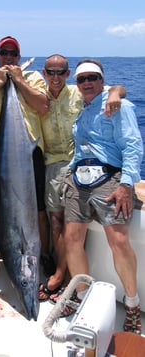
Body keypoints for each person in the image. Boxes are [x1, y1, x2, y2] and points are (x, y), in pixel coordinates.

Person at [61, 58, 143, 334]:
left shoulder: (118, 105)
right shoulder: (83, 107)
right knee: (72, 240)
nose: (87, 83)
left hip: (109, 178)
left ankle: (131, 305)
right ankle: (82, 296)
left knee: (118, 242)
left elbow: (132, 145)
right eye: (82, 79)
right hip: (78, 180)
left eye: (92, 78)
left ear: (101, 79)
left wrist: (126, 184)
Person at [39, 54, 126, 304]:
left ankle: (66, 279)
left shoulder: (79, 91)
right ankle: (61, 271)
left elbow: (117, 89)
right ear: (44, 73)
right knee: (56, 221)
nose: (56, 77)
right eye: (50, 72)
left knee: (73, 225)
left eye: (61, 72)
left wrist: (115, 94)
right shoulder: (37, 95)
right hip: (51, 166)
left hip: (79, 165)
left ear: (68, 74)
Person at [0, 36, 55, 276]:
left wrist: (17, 80)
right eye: (4, 53)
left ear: (19, 57)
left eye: (13, 54)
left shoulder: (34, 78)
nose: (8, 57)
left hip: (29, 153)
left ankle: (43, 253)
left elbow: (43, 106)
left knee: (37, 207)